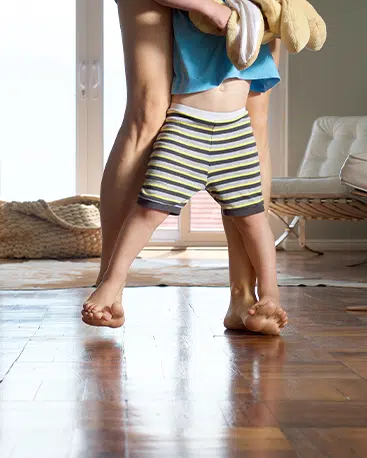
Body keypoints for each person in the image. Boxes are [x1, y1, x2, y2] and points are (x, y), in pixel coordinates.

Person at [82, 0, 288, 335]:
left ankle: (246, 297)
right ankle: (110, 284)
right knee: (148, 110)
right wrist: (211, 8)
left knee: (255, 117)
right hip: (189, 119)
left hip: (230, 130)